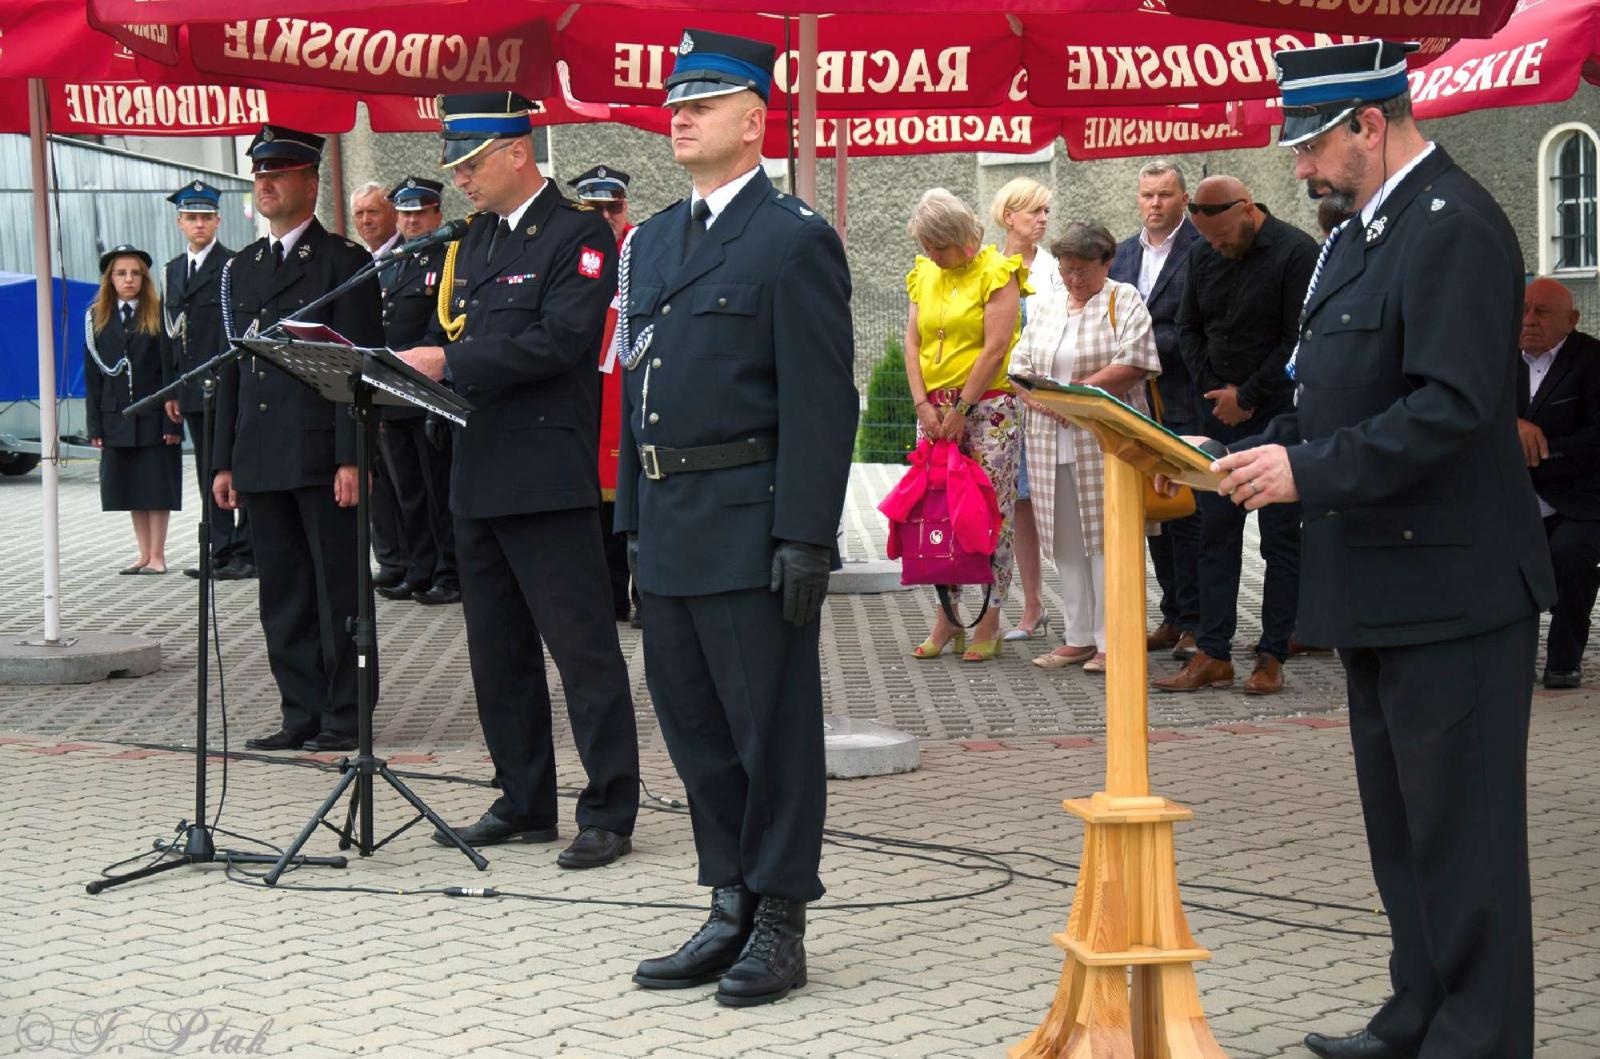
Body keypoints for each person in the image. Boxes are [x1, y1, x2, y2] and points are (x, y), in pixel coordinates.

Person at [1191, 40, 1557, 1059]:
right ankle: (1418, 1013)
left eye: (1312, 143)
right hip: (1380, 581)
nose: (1298, 168)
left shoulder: (1457, 226)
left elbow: (1449, 407)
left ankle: (1476, 1037)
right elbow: (1332, 392)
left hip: (1453, 583)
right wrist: (1252, 451)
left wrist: (1311, 473)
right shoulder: (1360, 236)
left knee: (1465, 835)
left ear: (1369, 122)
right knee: (1403, 830)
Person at [614, 28, 857, 1006]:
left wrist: (805, 534)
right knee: (696, 731)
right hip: (669, 521)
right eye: (675, 100)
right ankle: (726, 905)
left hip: (751, 524)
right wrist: (630, 523)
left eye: (703, 100)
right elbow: (638, 389)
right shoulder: (656, 240)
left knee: (772, 734)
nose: (680, 113)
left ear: (755, 118)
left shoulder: (793, 238)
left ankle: (780, 921)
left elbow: (820, 400)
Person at [398, 92, 640, 870]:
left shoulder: (577, 234)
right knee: (496, 652)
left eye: (471, 163)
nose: (462, 178)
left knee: (582, 650)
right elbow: (449, 333)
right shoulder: (469, 244)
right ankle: (523, 797)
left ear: (515, 153)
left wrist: (448, 362)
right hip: (477, 467)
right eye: (456, 166)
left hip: (545, 474)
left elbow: (561, 340)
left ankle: (608, 808)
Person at [213, 125, 383, 754]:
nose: (266, 184)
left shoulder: (344, 263)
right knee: (281, 592)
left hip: (319, 452)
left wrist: (350, 454)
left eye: (278, 173)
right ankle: (300, 710)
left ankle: (345, 713)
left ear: (310, 182)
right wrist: (223, 462)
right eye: (259, 174)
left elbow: (358, 367)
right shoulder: (242, 268)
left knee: (337, 586)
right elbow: (230, 368)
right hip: (261, 453)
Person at [1154, 175, 1316, 696]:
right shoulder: (1203, 253)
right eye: (1209, 238)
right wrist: (1214, 393)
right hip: (1217, 414)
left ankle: (1271, 654)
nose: (1219, 246)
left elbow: (1299, 342)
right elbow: (1188, 329)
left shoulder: (1296, 252)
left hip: (1277, 414)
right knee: (1213, 531)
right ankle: (1213, 652)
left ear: (1248, 209)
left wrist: (1245, 395)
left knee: (1280, 538)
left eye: (1225, 235)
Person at [1013, 224, 1160, 673]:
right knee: (1064, 540)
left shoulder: (1123, 299)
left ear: (1106, 264)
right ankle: (1076, 636)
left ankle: (1111, 641)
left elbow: (1135, 361)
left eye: (1082, 270)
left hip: (1101, 439)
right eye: (1066, 269)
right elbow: (1019, 365)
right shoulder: (1048, 302)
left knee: (1106, 540)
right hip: (1046, 437)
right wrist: (1043, 398)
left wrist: (1077, 396)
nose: (1073, 278)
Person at [903, 188, 1027, 662]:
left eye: (940, 245)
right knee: (938, 510)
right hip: (933, 411)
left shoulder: (998, 272)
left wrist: (963, 410)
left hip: (988, 410)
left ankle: (990, 616)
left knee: (991, 511)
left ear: (962, 236)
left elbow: (995, 348)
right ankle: (947, 616)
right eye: (928, 246)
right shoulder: (923, 273)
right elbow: (911, 345)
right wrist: (922, 405)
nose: (933, 255)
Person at [1109, 160, 1202, 660]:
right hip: (1135, 405)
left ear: (1184, 199)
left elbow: (1194, 328)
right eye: (1147, 195)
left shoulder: (1200, 249)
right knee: (1155, 510)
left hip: (1183, 396)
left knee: (1189, 512)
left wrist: (1136, 353)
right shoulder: (1122, 255)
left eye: (1165, 195)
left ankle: (1196, 619)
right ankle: (1171, 613)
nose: (1155, 204)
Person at [159, 182, 252, 581]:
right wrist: (173, 388)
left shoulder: (233, 265)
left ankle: (247, 548)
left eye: (205, 217)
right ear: (180, 222)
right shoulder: (172, 270)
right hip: (193, 386)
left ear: (218, 220)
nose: (199, 224)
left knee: (238, 462)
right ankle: (219, 546)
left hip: (227, 382)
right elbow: (169, 334)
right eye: (191, 218)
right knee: (206, 469)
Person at [376, 177, 459, 606]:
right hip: (392, 390)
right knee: (407, 488)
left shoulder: (448, 258)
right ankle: (418, 569)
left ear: (436, 215)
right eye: (405, 213)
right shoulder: (392, 260)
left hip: (428, 388)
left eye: (419, 213)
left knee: (436, 485)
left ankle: (449, 571)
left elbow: (442, 322)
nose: (411, 220)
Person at [1516, 278, 1600, 690]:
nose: (1529, 320)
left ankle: (1564, 661)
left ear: (1572, 320)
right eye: (1525, 310)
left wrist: (1539, 450)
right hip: (1510, 497)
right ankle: (1508, 661)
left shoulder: (1592, 361)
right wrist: (1511, 426)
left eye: (1542, 312)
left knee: (1571, 554)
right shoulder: (1496, 361)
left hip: (1578, 499)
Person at [85, 245, 182, 574]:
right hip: (117, 417)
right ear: (110, 279)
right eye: (121, 273)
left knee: (156, 486)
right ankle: (143, 553)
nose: (129, 279)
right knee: (131, 487)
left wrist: (173, 425)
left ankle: (158, 555)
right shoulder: (97, 318)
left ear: (144, 278)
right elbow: (93, 378)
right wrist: (94, 426)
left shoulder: (157, 313)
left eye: (135, 273)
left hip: (155, 414)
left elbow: (171, 370)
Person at [569, 163, 636, 624]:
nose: (605, 216)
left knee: (633, 506)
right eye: (595, 207)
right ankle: (607, 598)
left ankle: (643, 596)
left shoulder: (640, 246)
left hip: (630, 387)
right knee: (593, 508)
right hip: (586, 389)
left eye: (613, 206)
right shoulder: (577, 253)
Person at [991, 177, 1056, 643]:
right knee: (1012, 506)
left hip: (1043, 403)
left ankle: (1050, 604)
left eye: (1046, 211)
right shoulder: (989, 267)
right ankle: (1022, 606)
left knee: (1045, 507)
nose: (1043, 219)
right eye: (1034, 210)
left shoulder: (1054, 270)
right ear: (1009, 216)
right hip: (1000, 406)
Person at [350, 179, 409, 590]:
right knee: (377, 480)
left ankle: (410, 562)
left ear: (393, 215)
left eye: (374, 211)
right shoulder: (357, 263)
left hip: (400, 385)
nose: (367, 220)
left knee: (404, 481)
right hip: (363, 385)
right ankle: (390, 559)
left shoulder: (406, 256)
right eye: (360, 214)